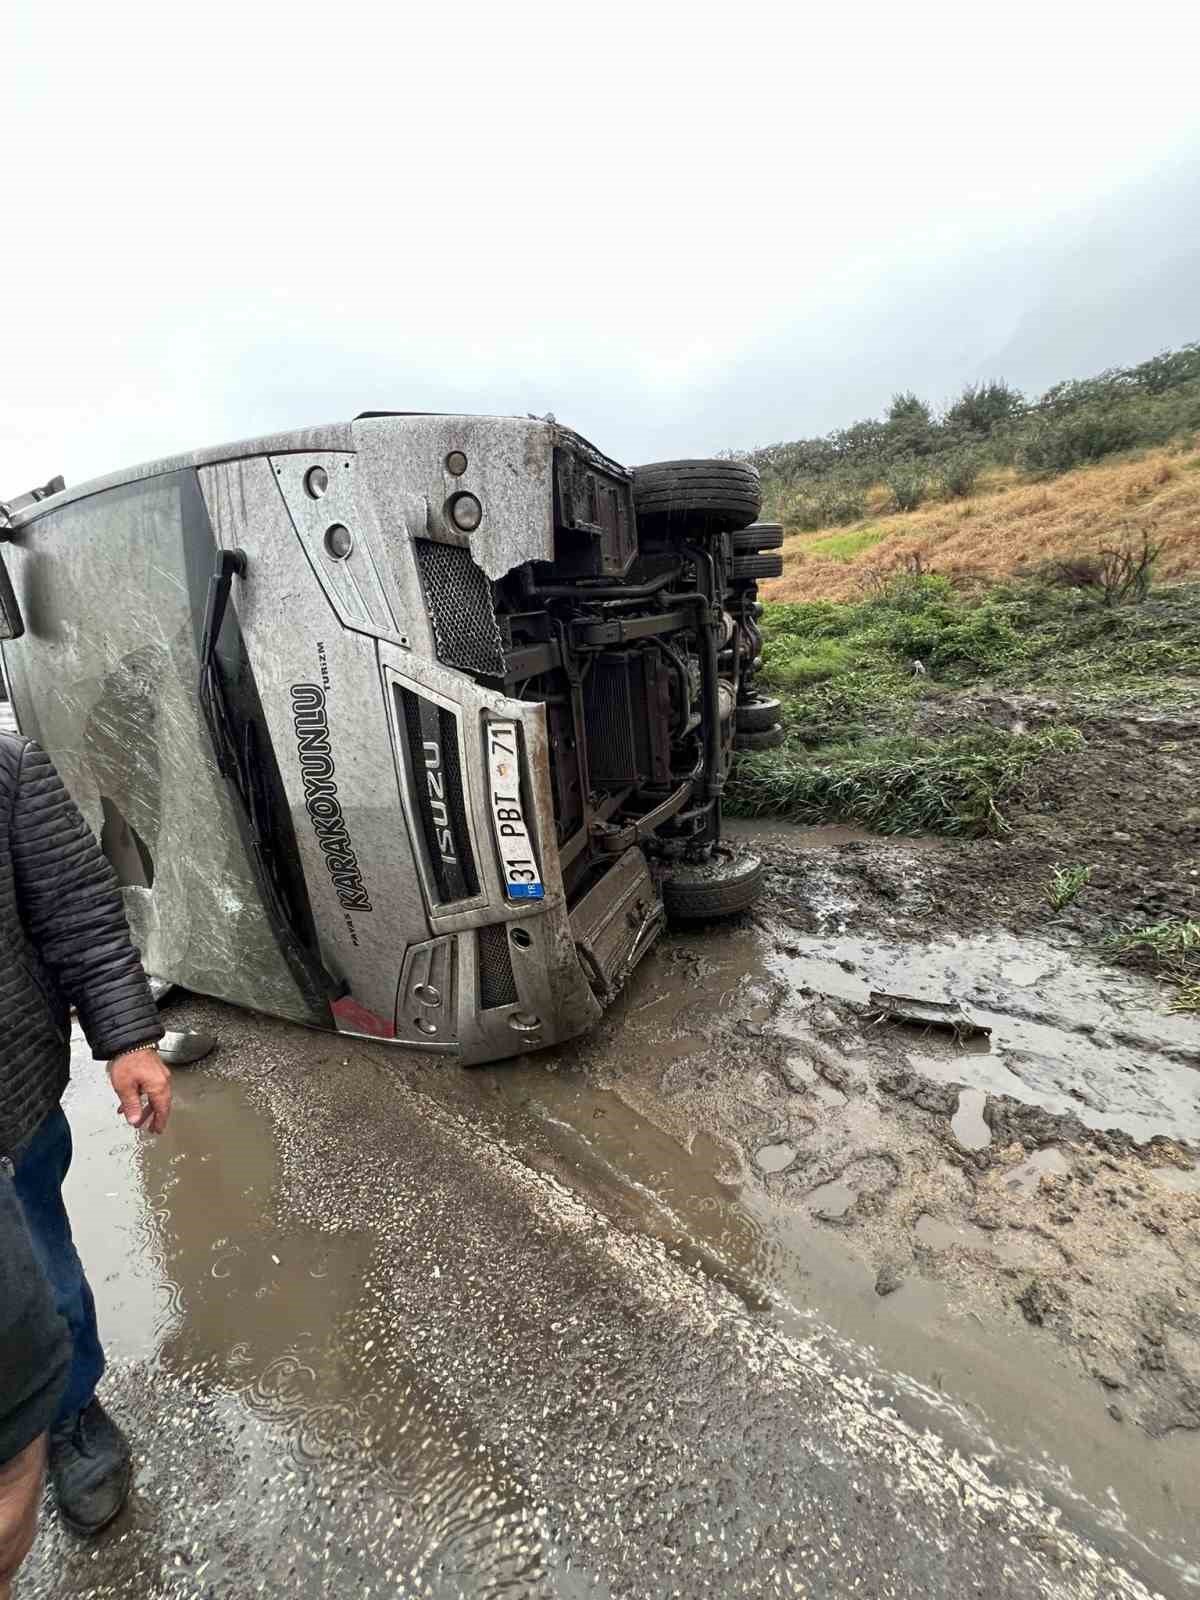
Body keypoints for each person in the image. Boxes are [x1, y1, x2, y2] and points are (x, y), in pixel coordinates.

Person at [1, 730, 170, 1558]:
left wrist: (128, 1041)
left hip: (7, 1116)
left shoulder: (9, 771)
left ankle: (69, 1415)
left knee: (42, 1284)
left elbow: (83, 919)